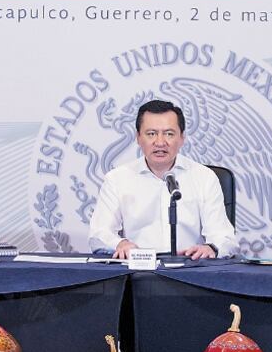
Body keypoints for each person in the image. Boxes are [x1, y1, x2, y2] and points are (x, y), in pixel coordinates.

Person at [88, 99, 238, 260]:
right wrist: (120, 244)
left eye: (169, 134)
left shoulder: (204, 177)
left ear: (182, 138)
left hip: (189, 272)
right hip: (137, 274)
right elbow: (99, 234)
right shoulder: (117, 179)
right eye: (151, 134)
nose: (160, 142)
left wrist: (211, 248)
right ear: (138, 138)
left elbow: (224, 238)